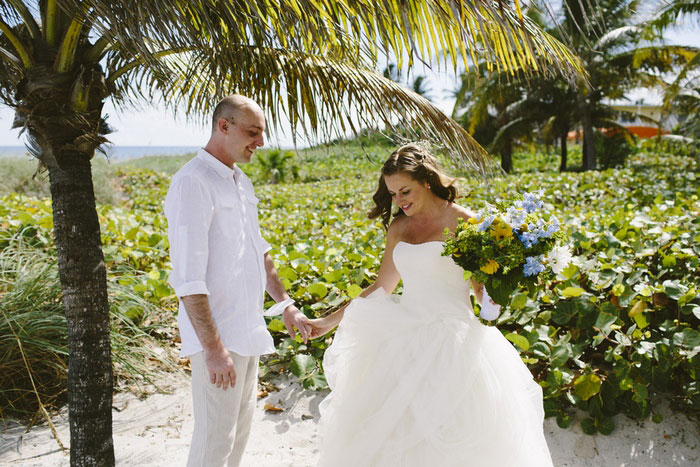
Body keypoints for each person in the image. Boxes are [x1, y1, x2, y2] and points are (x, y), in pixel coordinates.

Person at [308, 143, 554, 466]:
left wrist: (494, 298)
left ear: (427, 180)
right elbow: (382, 287)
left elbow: (481, 289)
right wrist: (327, 321)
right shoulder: (398, 228)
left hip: (456, 344)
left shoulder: (466, 222)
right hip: (402, 342)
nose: (399, 201)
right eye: (393, 193)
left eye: (405, 191)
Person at [164, 95, 310, 467]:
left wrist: (286, 306)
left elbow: (259, 253)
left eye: (262, 133)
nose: (260, 142)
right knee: (214, 441)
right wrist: (213, 348)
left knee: (238, 438)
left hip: (249, 331)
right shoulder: (192, 183)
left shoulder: (241, 181)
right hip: (219, 339)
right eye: (253, 132)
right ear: (223, 126)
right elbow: (188, 278)